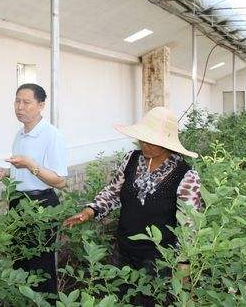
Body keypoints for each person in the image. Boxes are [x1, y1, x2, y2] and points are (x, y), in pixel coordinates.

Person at [64, 106, 202, 306]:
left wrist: (183, 265)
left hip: (159, 258)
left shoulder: (186, 176)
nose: (145, 144)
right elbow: (113, 191)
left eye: (152, 141)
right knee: (119, 298)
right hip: (124, 249)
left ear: (167, 144)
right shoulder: (131, 159)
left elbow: (189, 225)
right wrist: (90, 211)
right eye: (143, 138)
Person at [0, 83, 67, 295]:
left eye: (26, 102)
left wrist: (30, 164)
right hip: (18, 203)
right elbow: (24, 168)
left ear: (41, 105)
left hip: (41, 206)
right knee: (20, 262)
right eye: (17, 101)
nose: (19, 107)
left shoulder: (52, 135)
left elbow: (60, 180)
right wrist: (7, 172)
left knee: (41, 266)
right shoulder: (20, 134)